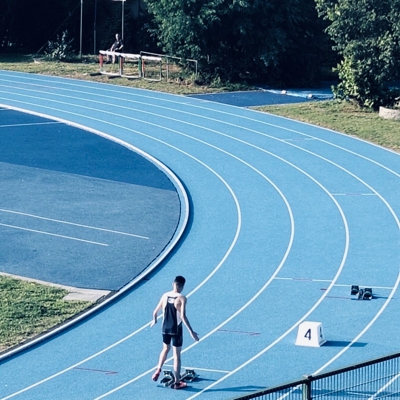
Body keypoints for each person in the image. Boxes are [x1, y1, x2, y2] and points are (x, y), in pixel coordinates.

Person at [150, 276, 199, 389]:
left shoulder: (165, 295)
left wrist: (154, 320)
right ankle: (177, 383)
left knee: (165, 349)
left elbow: (155, 312)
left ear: (173, 284)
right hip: (176, 329)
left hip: (165, 328)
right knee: (176, 356)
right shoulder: (182, 298)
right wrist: (191, 332)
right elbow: (183, 316)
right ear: (182, 286)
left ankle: (158, 368)